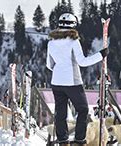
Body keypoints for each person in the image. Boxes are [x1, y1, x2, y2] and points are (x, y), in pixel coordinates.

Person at [46, 13, 109, 144]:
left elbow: (49, 65)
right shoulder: (73, 41)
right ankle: (79, 140)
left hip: (56, 82)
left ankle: (63, 140)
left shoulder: (51, 43)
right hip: (73, 82)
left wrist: (60, 71)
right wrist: (100, 55)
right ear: (74, 25)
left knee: (61, 112)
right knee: (83, 110)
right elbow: (82, 62)